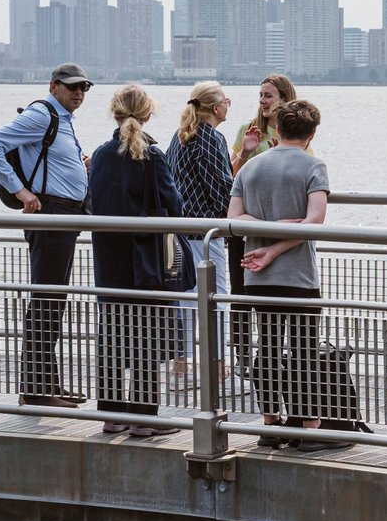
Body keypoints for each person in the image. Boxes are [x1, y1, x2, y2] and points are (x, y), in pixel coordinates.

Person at [228, 99, 359, 453]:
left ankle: (271, 424)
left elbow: (233, 220)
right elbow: (314, 222)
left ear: (279, 130)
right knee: (303, 351)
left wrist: (267, 243)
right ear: (312, 132)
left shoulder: (251, 168)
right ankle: (309, 426)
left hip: (257, 276)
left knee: (268, 348)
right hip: (299, 275)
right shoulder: (313, 165)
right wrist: (279, 242)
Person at [0, 62, 93, 407]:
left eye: (84, 87)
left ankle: (48, 385)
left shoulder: (62, 120)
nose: (78, 93)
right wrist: (20, 191)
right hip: (51, 216)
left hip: (64, 217)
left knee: (52, 301)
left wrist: (79, 166)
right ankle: (37, 390)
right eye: (72, 86)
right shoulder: (42, 115)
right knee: (46, 300)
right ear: (53, 86)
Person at [88, 84, 185, 436]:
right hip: (146, 261)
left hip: (109, 259)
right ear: (147, 114)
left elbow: (91, 204)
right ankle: (145, 418)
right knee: (147, 332)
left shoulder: (100, 155)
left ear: (115, 113)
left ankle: (113, 415)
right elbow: (174, 206)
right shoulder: (153, 156)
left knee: (114, 334)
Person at [228, 74, 301, 365]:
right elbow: (229, 178)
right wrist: (245, 153)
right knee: (241, 293)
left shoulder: (296, 132)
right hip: (247, 227)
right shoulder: (247, 129)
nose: (263, 101)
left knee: (279, 294)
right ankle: (244, 357)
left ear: (284, 99)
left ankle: (276, 357)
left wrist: (280, 156)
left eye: (269, 95)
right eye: (261, 95)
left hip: (282, 230)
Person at [167, 80, 235, 374]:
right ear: (216, 107)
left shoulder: (181, 135)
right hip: (205, 232)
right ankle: (217, 366)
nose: (228, 104)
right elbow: (220, 187)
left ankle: (180, 365)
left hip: (179, 230)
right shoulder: (210, 137)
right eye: (226, 100)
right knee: (215, 298)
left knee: (184, 299)